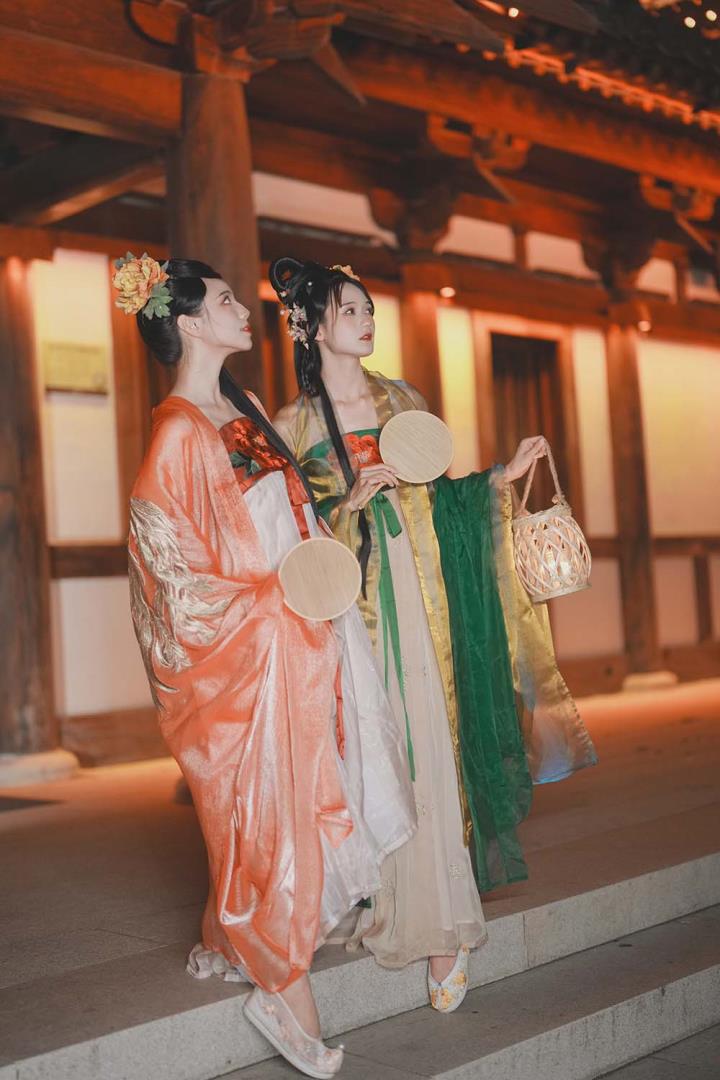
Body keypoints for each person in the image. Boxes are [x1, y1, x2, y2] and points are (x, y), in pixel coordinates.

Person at [115, 254, 416, 1079]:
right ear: (188, 322)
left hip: (301, 620)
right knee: (266, 801)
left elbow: (286, 512)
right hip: (253, 641)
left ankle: (247, 933)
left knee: (306, 785)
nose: (243, 309)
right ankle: (284, 988)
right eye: (224, 301)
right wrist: (270, 603)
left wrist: (334, 527)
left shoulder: (241, 404)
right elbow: (171, 576)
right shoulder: (178, 431)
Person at [271, 258, 597, 1014]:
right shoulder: (291, 426)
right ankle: (379, 892)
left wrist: (498, 479)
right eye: (350, 309)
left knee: (427, 735)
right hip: (355, 605)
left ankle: (443, 916)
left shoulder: (402, 399)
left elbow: (439, 498)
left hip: (421, 596)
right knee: (370, 747)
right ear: (312, 326)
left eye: (368, 309)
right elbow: (288, 533)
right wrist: (348, 505)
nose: (367, 320)